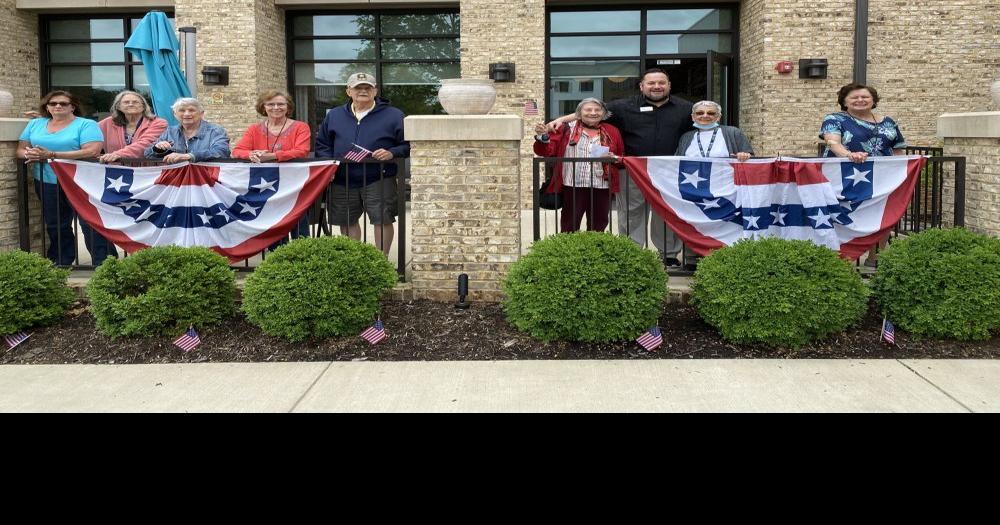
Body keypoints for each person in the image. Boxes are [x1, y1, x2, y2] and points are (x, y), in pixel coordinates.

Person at [548, 68, 694, 266]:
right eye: (651, 83)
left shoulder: (685, 108)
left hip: (667, 172)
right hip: (633, 170)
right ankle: (632, 252)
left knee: (665, 212)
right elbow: (591, 111)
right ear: (642, 86)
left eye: (661, 82)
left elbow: (706, 122)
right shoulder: (624, 106)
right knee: (632, 212)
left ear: (669, 85)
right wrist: (561, 120)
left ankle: (668, 254)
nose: (656, 86)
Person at [315, 72, 409, 256]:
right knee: (347, 221)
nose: (363, 91)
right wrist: (328, 165)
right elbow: (322, 144)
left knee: (382, 219)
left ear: (376, 91)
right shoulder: (334, 115)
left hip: (379, 176)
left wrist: (392, 152)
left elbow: (407, 144)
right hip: (342, 178)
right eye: (358, 87)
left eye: (368, 87)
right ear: (348, 91)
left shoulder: (394, 115)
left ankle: (380, 263)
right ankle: (356, 262)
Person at [16, 90, 115, 265]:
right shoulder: (36, 124)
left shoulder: (86, 124)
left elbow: (92, 150)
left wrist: (52, 155)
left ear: (73, 107)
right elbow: (20, 150)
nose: (58, 106)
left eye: (63, 103)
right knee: (56, 224)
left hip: (80, 181)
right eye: (53, 103)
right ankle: (61, 260)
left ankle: (105, 263)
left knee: (89, 222)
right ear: (46, 107)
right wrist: (31, 154)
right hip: (47, 180)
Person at [820, 83, 906, 267]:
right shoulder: (834, 119)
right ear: (844, 101)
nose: (860, 100)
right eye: (854, 97)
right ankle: (843, 260)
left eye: (865, 97)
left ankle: (877, 258)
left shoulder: (889, 122)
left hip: (883, 179)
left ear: (873, 100)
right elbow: (832, 142)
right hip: (846, 178)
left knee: (883, 216)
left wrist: (903, 170)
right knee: (847, 217)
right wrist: (849, 155)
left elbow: (898, 149)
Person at [533, 98, 624, 232]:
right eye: (588, 109)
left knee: (599, 224)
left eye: (597, 110)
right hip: (573, 185)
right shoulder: (566, 129)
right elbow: (546, 150)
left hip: (602, 185)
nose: (593, 113)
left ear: (603, 114)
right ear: (579, 113)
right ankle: (568, 251)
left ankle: (594, 251)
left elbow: (621, 155)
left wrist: (613, 158)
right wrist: (543, 137)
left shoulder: (612, 131)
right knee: (570, 224)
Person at [232, 90, 313, 240]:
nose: (276, 107)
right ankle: (275, 258)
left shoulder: (301, 127)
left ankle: (302, 258)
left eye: (281, 104)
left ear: (288, 107)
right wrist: (251, 154)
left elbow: (302, 151)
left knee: (298, 222)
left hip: (294, 184)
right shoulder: (254, 129)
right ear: (264, 107)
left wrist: (273, 156)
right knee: (272, 223)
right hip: (266, 185)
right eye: (271, 104)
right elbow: (237, 150)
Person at [145, 97, 230, 163]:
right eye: (182, 110)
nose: (187, 114)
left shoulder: (215, 131)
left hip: (206, 178)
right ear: (175, 114)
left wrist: (190, 156)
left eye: (191, 110)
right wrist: (157, 148)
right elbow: (147, 154)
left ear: (201, 114)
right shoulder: (170, 132)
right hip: (176, 179)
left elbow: (222, 152)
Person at [97, 90, 168, 164]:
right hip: (116, 172)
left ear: (143, 106)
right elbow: (90, 139)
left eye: (135, 102)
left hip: (147, 172)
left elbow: (145, 144)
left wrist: (118, 154)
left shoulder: (158, 123)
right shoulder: (106, 123)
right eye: (126, 102)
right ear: (118, 107)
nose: (131, 104)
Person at [676, 100, 753, 161]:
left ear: (718, 117)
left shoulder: (733, 132)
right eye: (700, 113)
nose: (705, 115)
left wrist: (744, 155)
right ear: (693, 117)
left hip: (724, 179)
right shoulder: (686, 137)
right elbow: (676, 161)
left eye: (711, 113)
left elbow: (751, 158)